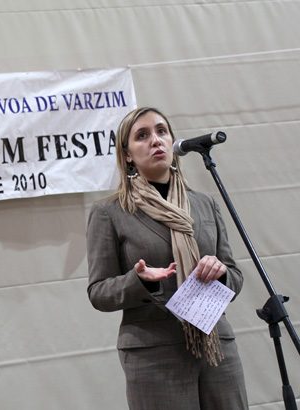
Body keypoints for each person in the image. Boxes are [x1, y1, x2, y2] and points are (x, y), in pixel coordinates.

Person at [86, 107, 248, 409]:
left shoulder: (205, 204)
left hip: (216, 348)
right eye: (142, 135)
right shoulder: (110, 212)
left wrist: (221, 273)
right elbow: (99, 292)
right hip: (154, 354)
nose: (156, 140)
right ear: (128, 155)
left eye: (162, 131)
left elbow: (235, 276)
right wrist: (140, 281)